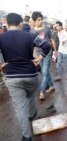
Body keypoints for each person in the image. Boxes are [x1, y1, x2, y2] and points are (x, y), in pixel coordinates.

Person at [0, 13, 51, 141]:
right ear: (21, 23)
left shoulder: (2, 37)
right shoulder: (30, 35)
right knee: (30, 96)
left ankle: (27, 136)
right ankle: (32, 113)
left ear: (7, 23)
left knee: (19, 107)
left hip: (12, 76)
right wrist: (40, 58)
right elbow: (47, 45)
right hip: (30, 74)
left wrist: (1, 65)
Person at [31, 11, 56, 100]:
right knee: (45, 71)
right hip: (38, 53)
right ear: (34, 21)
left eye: (41, 19)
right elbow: (32, 44)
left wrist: (55, 51)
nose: (41, 21)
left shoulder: (47, 29)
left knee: (45, 72)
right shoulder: (32, 31)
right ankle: (51, 85)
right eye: (38, 20)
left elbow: (52, 40)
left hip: (47, 52)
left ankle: (42, 91)